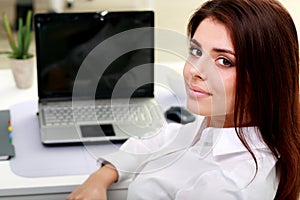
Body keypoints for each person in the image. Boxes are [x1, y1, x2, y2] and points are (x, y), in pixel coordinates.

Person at [67, 0, 300, 199]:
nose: (195, 71)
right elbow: (161, 138)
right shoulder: (218, 123)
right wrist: (102, 176)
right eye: (196, 51)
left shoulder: (227, 187)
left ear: (265, 78)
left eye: (224, 61)